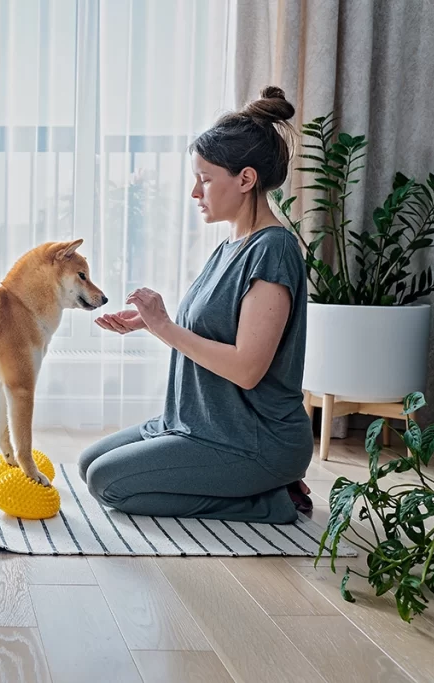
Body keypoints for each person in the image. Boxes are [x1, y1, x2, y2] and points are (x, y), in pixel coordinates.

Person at [78, 86, 314, 524]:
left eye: (205, 179)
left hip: (253, 440)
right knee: (88, 463)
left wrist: (165, 327)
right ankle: (253, 487)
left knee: (108, 483)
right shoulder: (229, 247)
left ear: (245, 179)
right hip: (197, 422)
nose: (194, 192)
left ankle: (269, 501)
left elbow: (247, 368)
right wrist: (149, 323)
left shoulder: (273, 250)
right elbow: (212, 333)